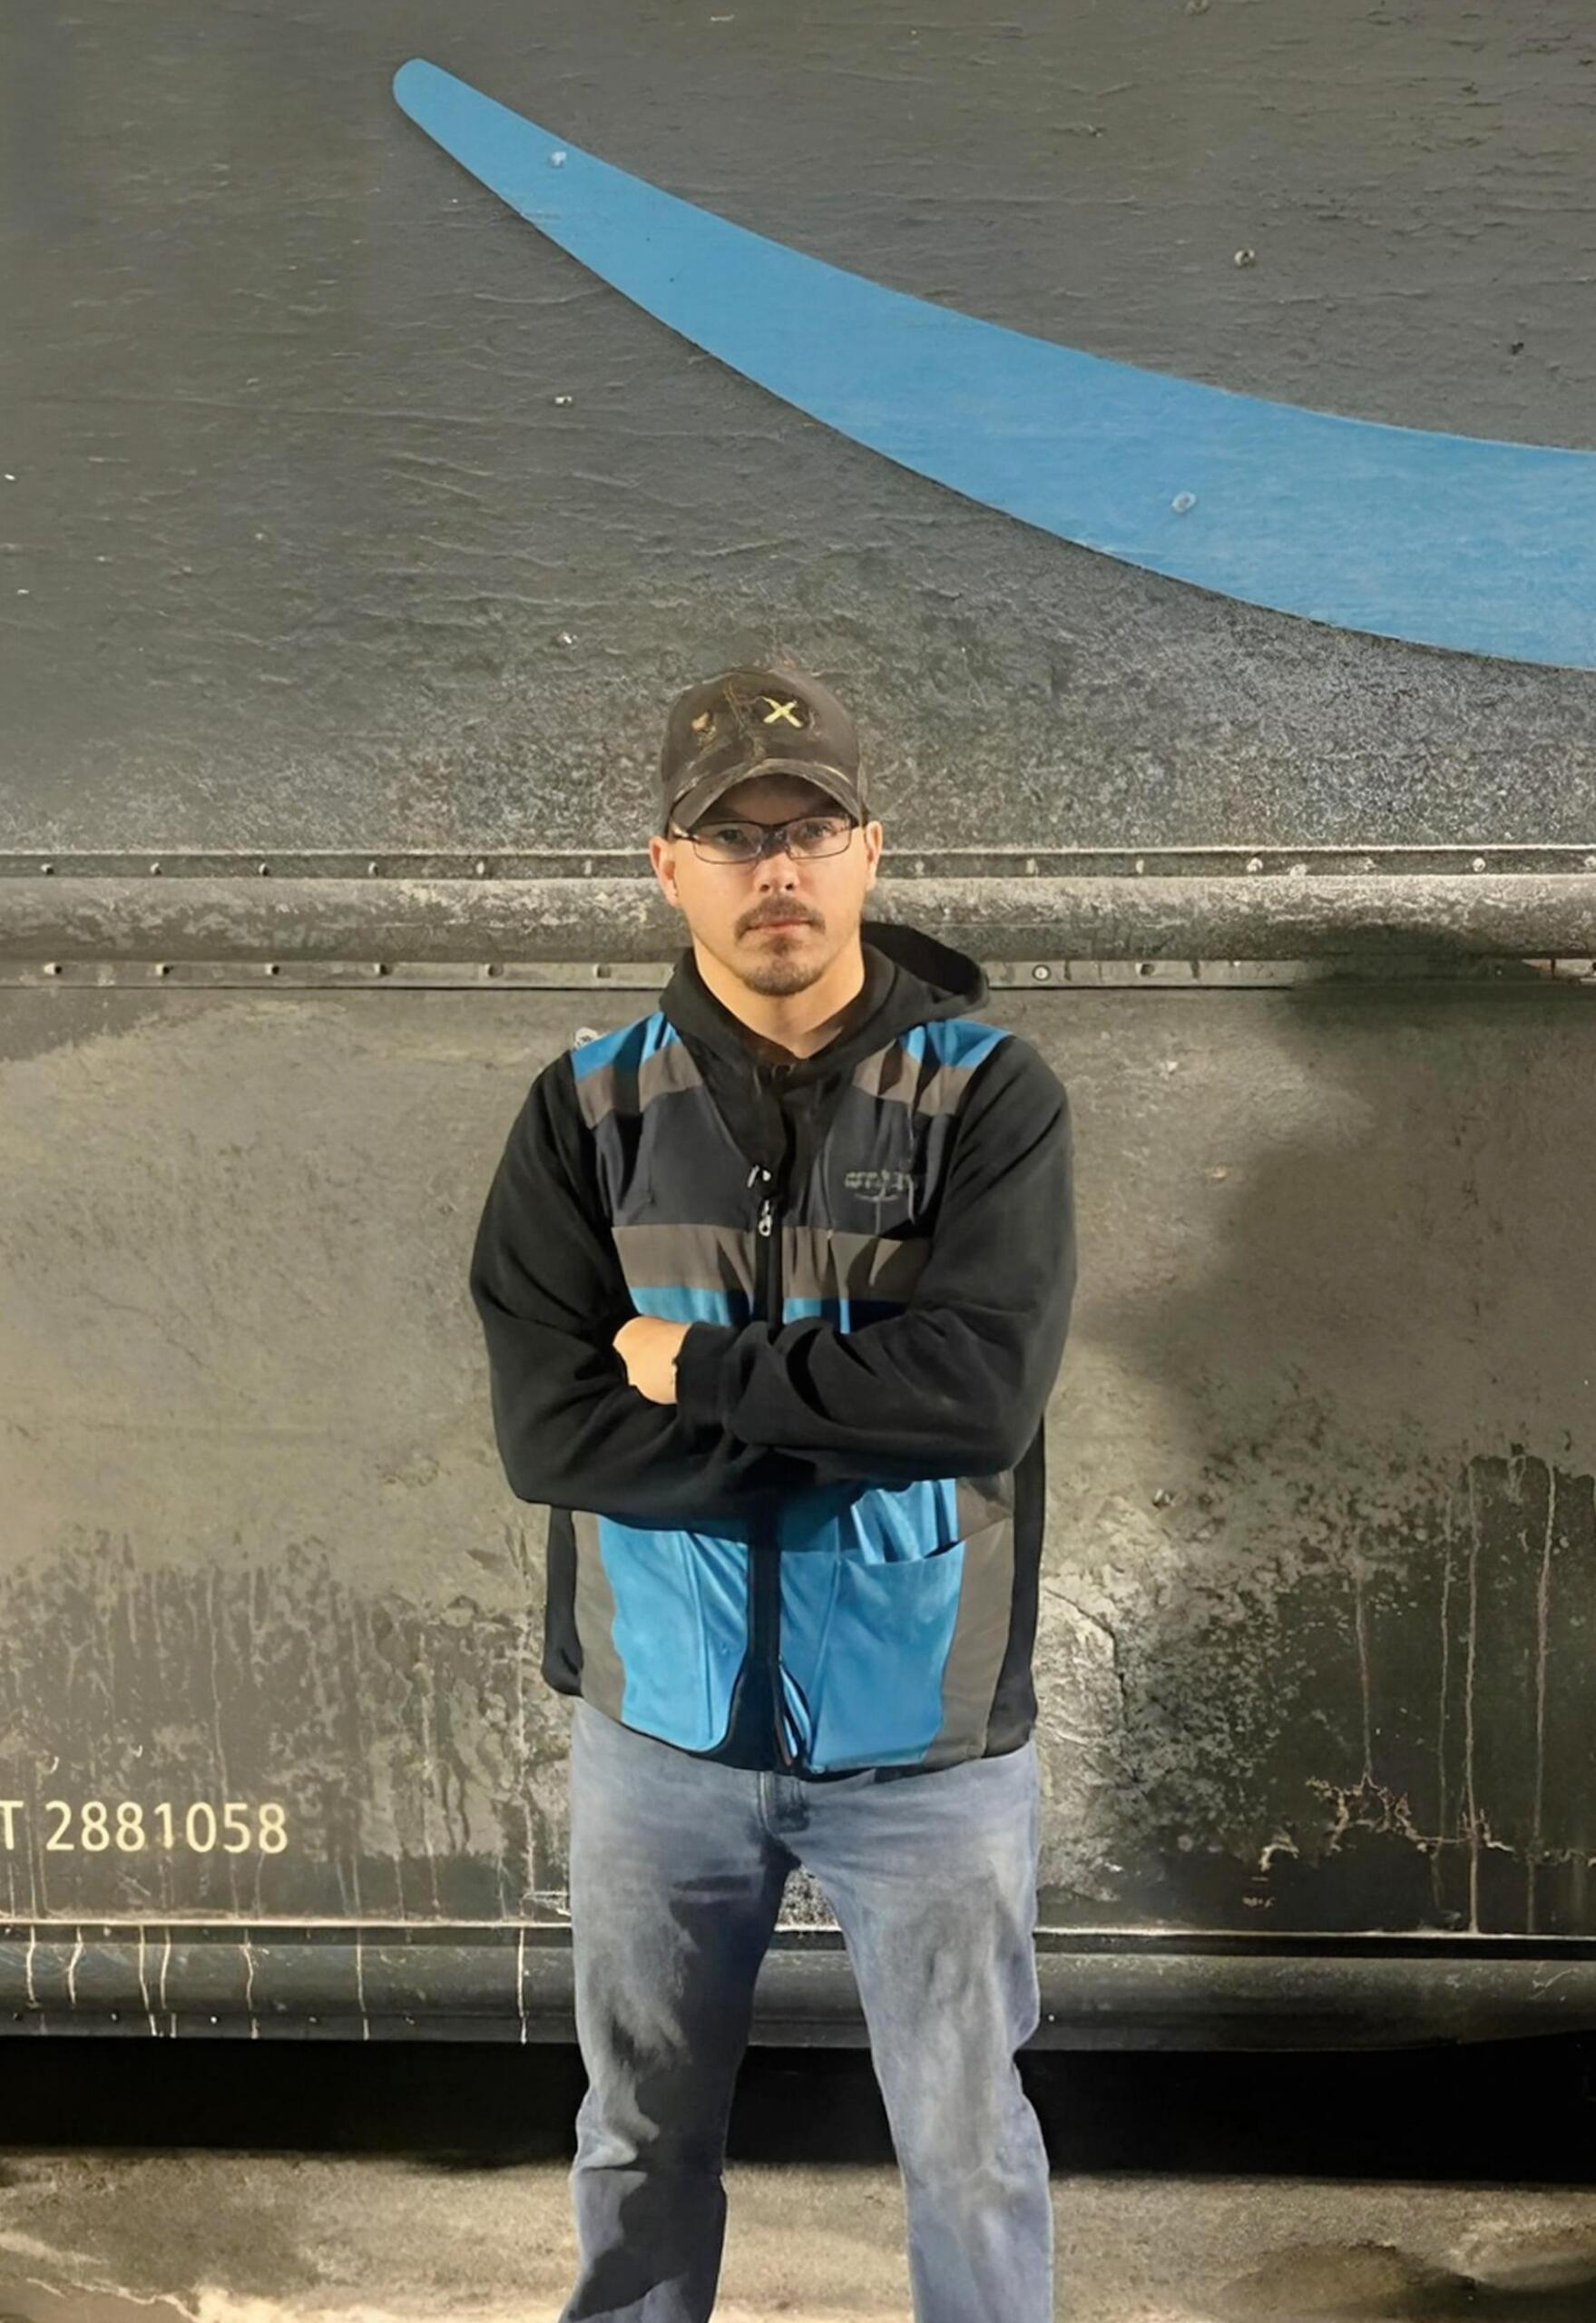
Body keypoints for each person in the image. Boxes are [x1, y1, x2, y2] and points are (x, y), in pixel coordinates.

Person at [468, 664, 1077, 2323]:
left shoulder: (987, 1095)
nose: (776, 869)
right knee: (639, 2137)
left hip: (928, 1753)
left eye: (807, 829)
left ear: (870, 853)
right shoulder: (585, 1108)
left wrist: (707, 1373)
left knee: (969, 2148)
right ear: (671, 871)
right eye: (731, 838)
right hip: (657, 1741)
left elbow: (979, 1399)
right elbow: (554, 1438)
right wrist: (848, 1412)